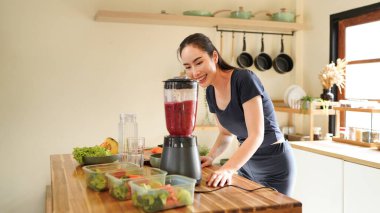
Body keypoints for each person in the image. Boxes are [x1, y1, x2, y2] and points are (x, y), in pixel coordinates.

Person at [177, 33, 296, 196]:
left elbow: (256, 135)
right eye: (188, 67)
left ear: (214, 56)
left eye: (198, 62)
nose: (195, 72)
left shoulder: (243, 79)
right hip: (246, 165)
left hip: (274, 165)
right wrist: (211, 157)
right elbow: (226, 133)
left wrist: (227, 169)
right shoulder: (210, 92)